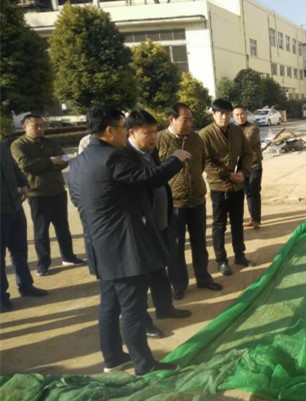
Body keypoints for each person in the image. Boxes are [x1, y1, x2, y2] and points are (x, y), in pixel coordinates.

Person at [69, 105, 189, 375]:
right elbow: (148, 178)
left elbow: (77, 200)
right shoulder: (112, 158)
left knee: (109, 306)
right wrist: (176, 159)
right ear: (109, 131)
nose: (125, 133)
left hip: (99, 245)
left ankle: (112, 358)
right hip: (123, 248)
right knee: (133, 310)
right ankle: (144, 365)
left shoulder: (78, 162)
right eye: (123, 128)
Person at [124, 109, 192, 338]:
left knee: (160, 269)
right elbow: (152, 178)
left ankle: (165, 308)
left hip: (160, 222)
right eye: (148, 133)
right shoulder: (125, 157)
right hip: (142, 228)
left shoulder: (149, 152)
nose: (154, 137)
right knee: (142, 277)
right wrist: (175, 160)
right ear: (132, 133)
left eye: (155, 132)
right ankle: (143, 322)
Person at [156, 103, 222, 300]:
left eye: (191, 120)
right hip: (174, 204)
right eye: (185, 120)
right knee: (175, 246)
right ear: (171, 120)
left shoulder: (196, 138)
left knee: (200, 243)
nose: (189, 124)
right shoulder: (159, 140)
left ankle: (203, 277)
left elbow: (201, 164)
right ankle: (179, 284)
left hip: (197, 200)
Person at [10, 114, 84, 277]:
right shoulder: (18, 145)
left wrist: (48, 163)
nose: (40, 128)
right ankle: (43, 263)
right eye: (35, 126)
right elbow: (26, 165)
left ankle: (68, 256)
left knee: (63, 227)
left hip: (57, 190)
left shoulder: (50, 142)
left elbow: (65, 159)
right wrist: (51, 161)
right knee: (41, 230)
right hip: (38, 193)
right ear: (25, 127)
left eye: (42, 125)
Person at [199, 99, 255, 276]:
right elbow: (206, 161)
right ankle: (222, 260)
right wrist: (226, 175)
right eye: (221, 113)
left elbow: (248, 153)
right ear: (213, 114)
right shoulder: (205, 135)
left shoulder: (237, 131)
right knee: (219, 225)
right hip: (219, 186)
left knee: (237, 222)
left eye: (227, 113)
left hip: (237, 185)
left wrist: (243, 172)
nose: (224, 117)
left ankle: (240, 255)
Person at [1, 141, 48, 313]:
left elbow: (14, 167)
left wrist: (23, 184)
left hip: (14, 205)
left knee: (19, 249)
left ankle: (26, 285)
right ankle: (1, 297)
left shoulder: (1, 145)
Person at [233, 105, 263, 230]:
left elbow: (245, 143)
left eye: (242, 114)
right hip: (241, 167)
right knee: (247, 193)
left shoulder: (253, 128)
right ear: (234, 116)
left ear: (246, 114)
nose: (240, 117)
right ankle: (252, 218)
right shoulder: (233, 129)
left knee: (254, 192)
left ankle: (256, 219)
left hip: (254, 165)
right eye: (237, 115)